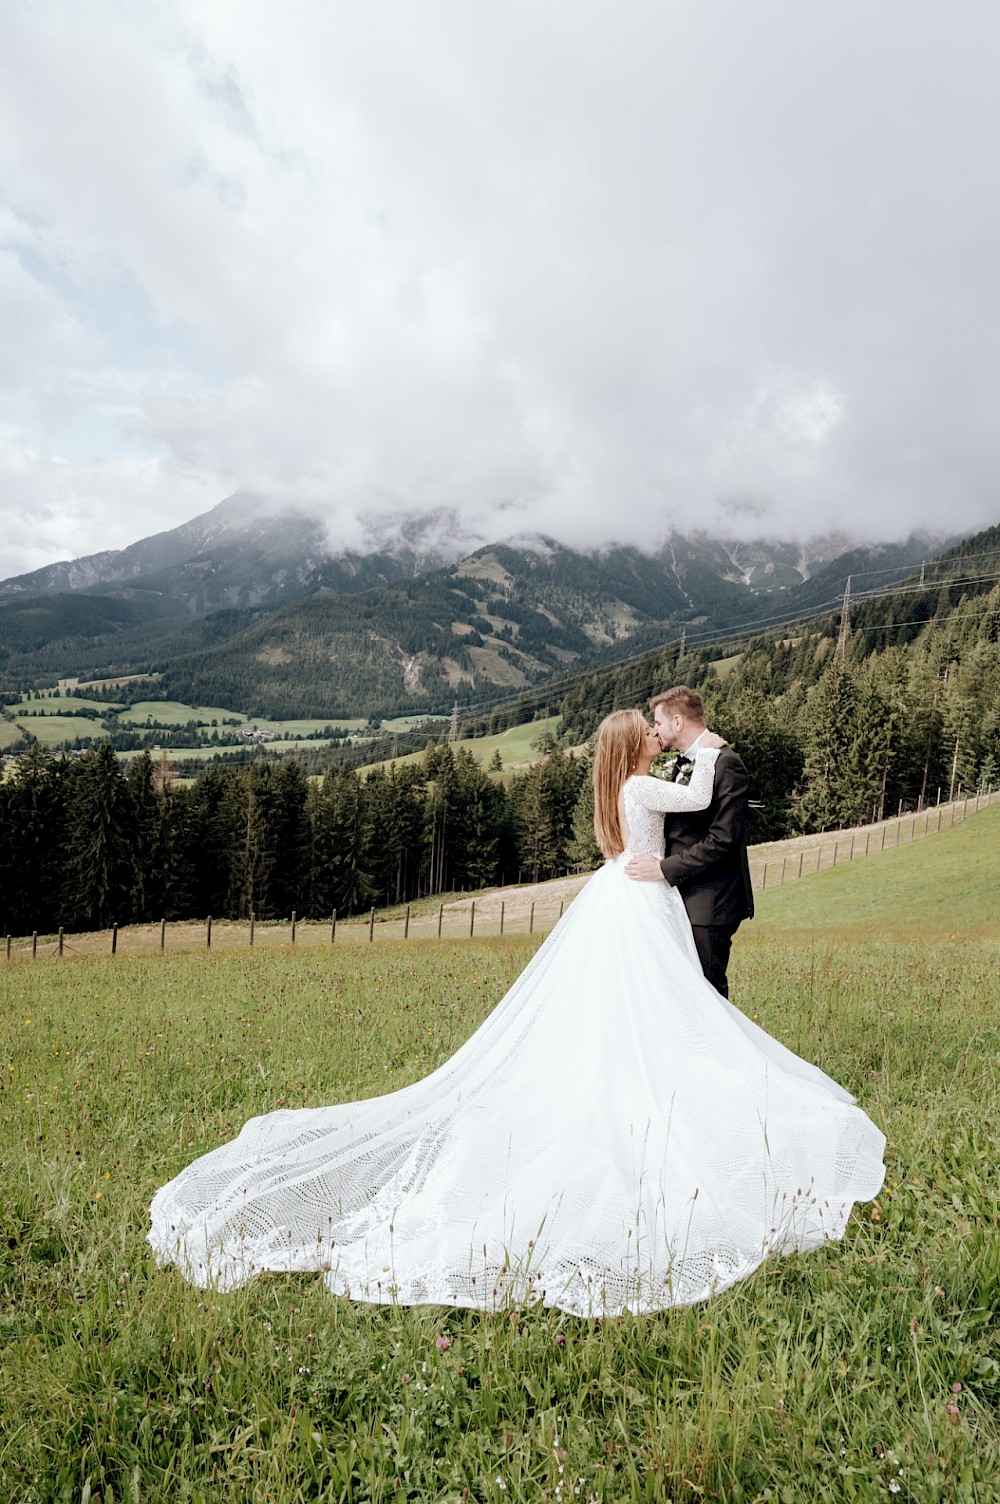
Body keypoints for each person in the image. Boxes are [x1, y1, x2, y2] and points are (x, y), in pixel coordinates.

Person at [148, 709, 885, 1317]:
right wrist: (706, 749)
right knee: (663, 999)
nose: (657, 738)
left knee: (633, 1001)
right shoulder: (644, 789)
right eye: (648, 733)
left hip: (620, 896)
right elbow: (698, 798)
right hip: (643, 900)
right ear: (635, 747)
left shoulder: (618, 789)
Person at [626, 686, 752, 998]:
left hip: (709, 904)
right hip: (680, 900)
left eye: (657, 722)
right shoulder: (683, 764)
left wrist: (664, 869)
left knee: (708, 1000)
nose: (656, 730)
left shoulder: (726, 763)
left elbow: (723, 840)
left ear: (677, 722)